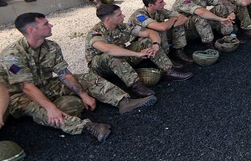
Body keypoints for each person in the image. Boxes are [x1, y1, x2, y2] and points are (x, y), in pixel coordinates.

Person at [2, 13, 158, 143]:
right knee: (41, 110)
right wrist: (51, 108)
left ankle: (123, 101)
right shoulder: (13, 55)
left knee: (86, 78)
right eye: (46, 24)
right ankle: (87, 127)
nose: (51, 26)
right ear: (31, 30)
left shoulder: (51, 46)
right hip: (20, 96)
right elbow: (26, 87)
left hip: (46, 85)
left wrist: (83, 94)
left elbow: (64, 74)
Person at [86, 3, 192, 98]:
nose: (123, 16)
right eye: (119, 15)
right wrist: (137, 54)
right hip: (102, 68)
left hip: (121, 59)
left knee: (146, 41)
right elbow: (108, 49)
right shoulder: (95, 33)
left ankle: (169, 71)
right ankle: (136, 85)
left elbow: (150, 32)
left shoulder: (122, 27)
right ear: (108, 19)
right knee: (111, 56)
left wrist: (155, 44)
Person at [129, 0, 193, 65]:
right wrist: (172, 19)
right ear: (151, 5)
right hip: (142, 43)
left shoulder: (159, 11)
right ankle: (165, 58)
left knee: (177, 25)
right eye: (161, 2)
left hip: (157, 39)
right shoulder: (139, 15)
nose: (164, 3)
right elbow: (161, 27)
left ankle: (178, 51)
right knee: (159, 30)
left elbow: (183, 18)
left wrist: (171, 25)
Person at [171, 0, 237, 48]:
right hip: (184, 30)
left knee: (221, 7)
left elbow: (224, 1)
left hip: (200, 25)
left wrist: (231, 13)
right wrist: (220, 19)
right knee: (199, 16)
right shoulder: (183, 1)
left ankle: (226, 35)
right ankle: (209, 43)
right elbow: (200, 12)